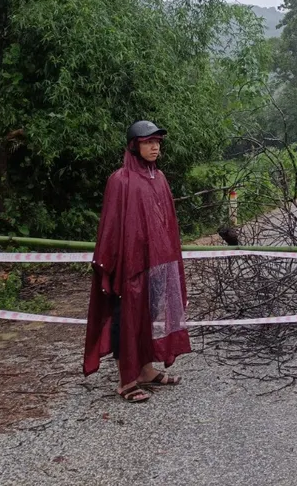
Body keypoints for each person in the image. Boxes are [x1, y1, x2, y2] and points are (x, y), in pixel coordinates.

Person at [83, 120, 192, 403]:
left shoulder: (160, 178)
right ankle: (126, 381)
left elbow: (167, 225)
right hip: (130, 266)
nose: (155, 147)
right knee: (129, 320)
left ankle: (145, 371)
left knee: (150, 316)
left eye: (157, 142)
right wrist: (113, 265)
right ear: (134, 145)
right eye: (147, 142)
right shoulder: (120, 180)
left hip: (158, 263)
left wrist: (168, 261)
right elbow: (111, 226)